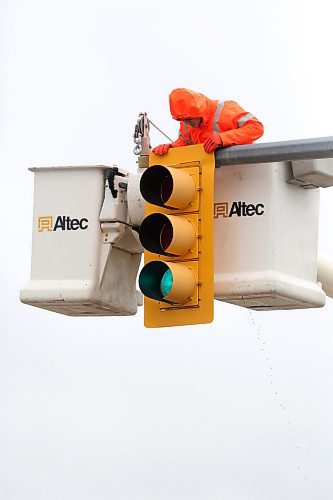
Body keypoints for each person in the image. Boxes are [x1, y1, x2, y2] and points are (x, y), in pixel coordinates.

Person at [152, 88, 264, 155]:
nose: (186, 123)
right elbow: (185, 143)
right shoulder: (186, 122)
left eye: (189, 119)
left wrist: (222, 138)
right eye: (182, 120)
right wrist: (171, 148)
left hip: (243, 170)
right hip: (212, 175)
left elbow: (256, 128)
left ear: (198, 112)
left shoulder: (225, 109)